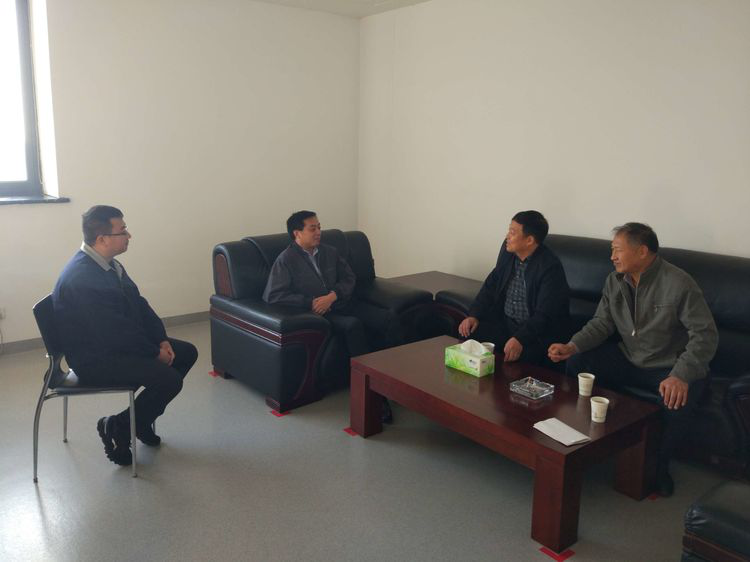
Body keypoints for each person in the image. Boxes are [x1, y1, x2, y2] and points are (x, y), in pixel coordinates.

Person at [548, 222, 718, 496]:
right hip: (628, 357)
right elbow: (602, 323)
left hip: (667, 366)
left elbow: (705, 334)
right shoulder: (614, 281)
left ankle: (658, 467)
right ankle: (581, 441)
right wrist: (572, 345)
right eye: (612, 250)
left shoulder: (678, 283)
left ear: (642, 251)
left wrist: (681, 375)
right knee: (579, 362)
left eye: (617, 250)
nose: (612, 257)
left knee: (677, 399)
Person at [53, 205, 198, 466]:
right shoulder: (82, 279)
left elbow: (139, 305)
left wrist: (161, 339)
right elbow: (113, 333)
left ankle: (134, 422)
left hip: (114, 346)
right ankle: (121, 426)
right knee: (169, 380)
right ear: (102, 239)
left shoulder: (109, 264)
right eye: (122, 231)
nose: (129, 235)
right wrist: (154, 353)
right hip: (94, 359)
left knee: (186, 353)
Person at [263, 210, 402, 421]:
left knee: (389, 319)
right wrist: (310, 302)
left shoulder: (330, 251)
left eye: (319, 227)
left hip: (343, 302)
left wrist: (333, 295)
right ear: (297, 233)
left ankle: (396, 379)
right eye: (312, 228)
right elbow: (273, 294)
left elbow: (349, 278)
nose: (318, 232)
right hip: (321, 313)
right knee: (353, 326)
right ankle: (375, 397)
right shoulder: (286, 260)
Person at [458, 210, 570, 365]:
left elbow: (545, 315)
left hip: (536, 333)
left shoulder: (550, 267)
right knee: (470, 333)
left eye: (512, 232)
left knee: (522, 356)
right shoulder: (508, 254)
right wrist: (474, 315)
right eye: (508, 231)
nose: (507, 237)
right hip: (507, 323)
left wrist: (520, 338)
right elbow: (490, 286)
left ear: (529, 240)